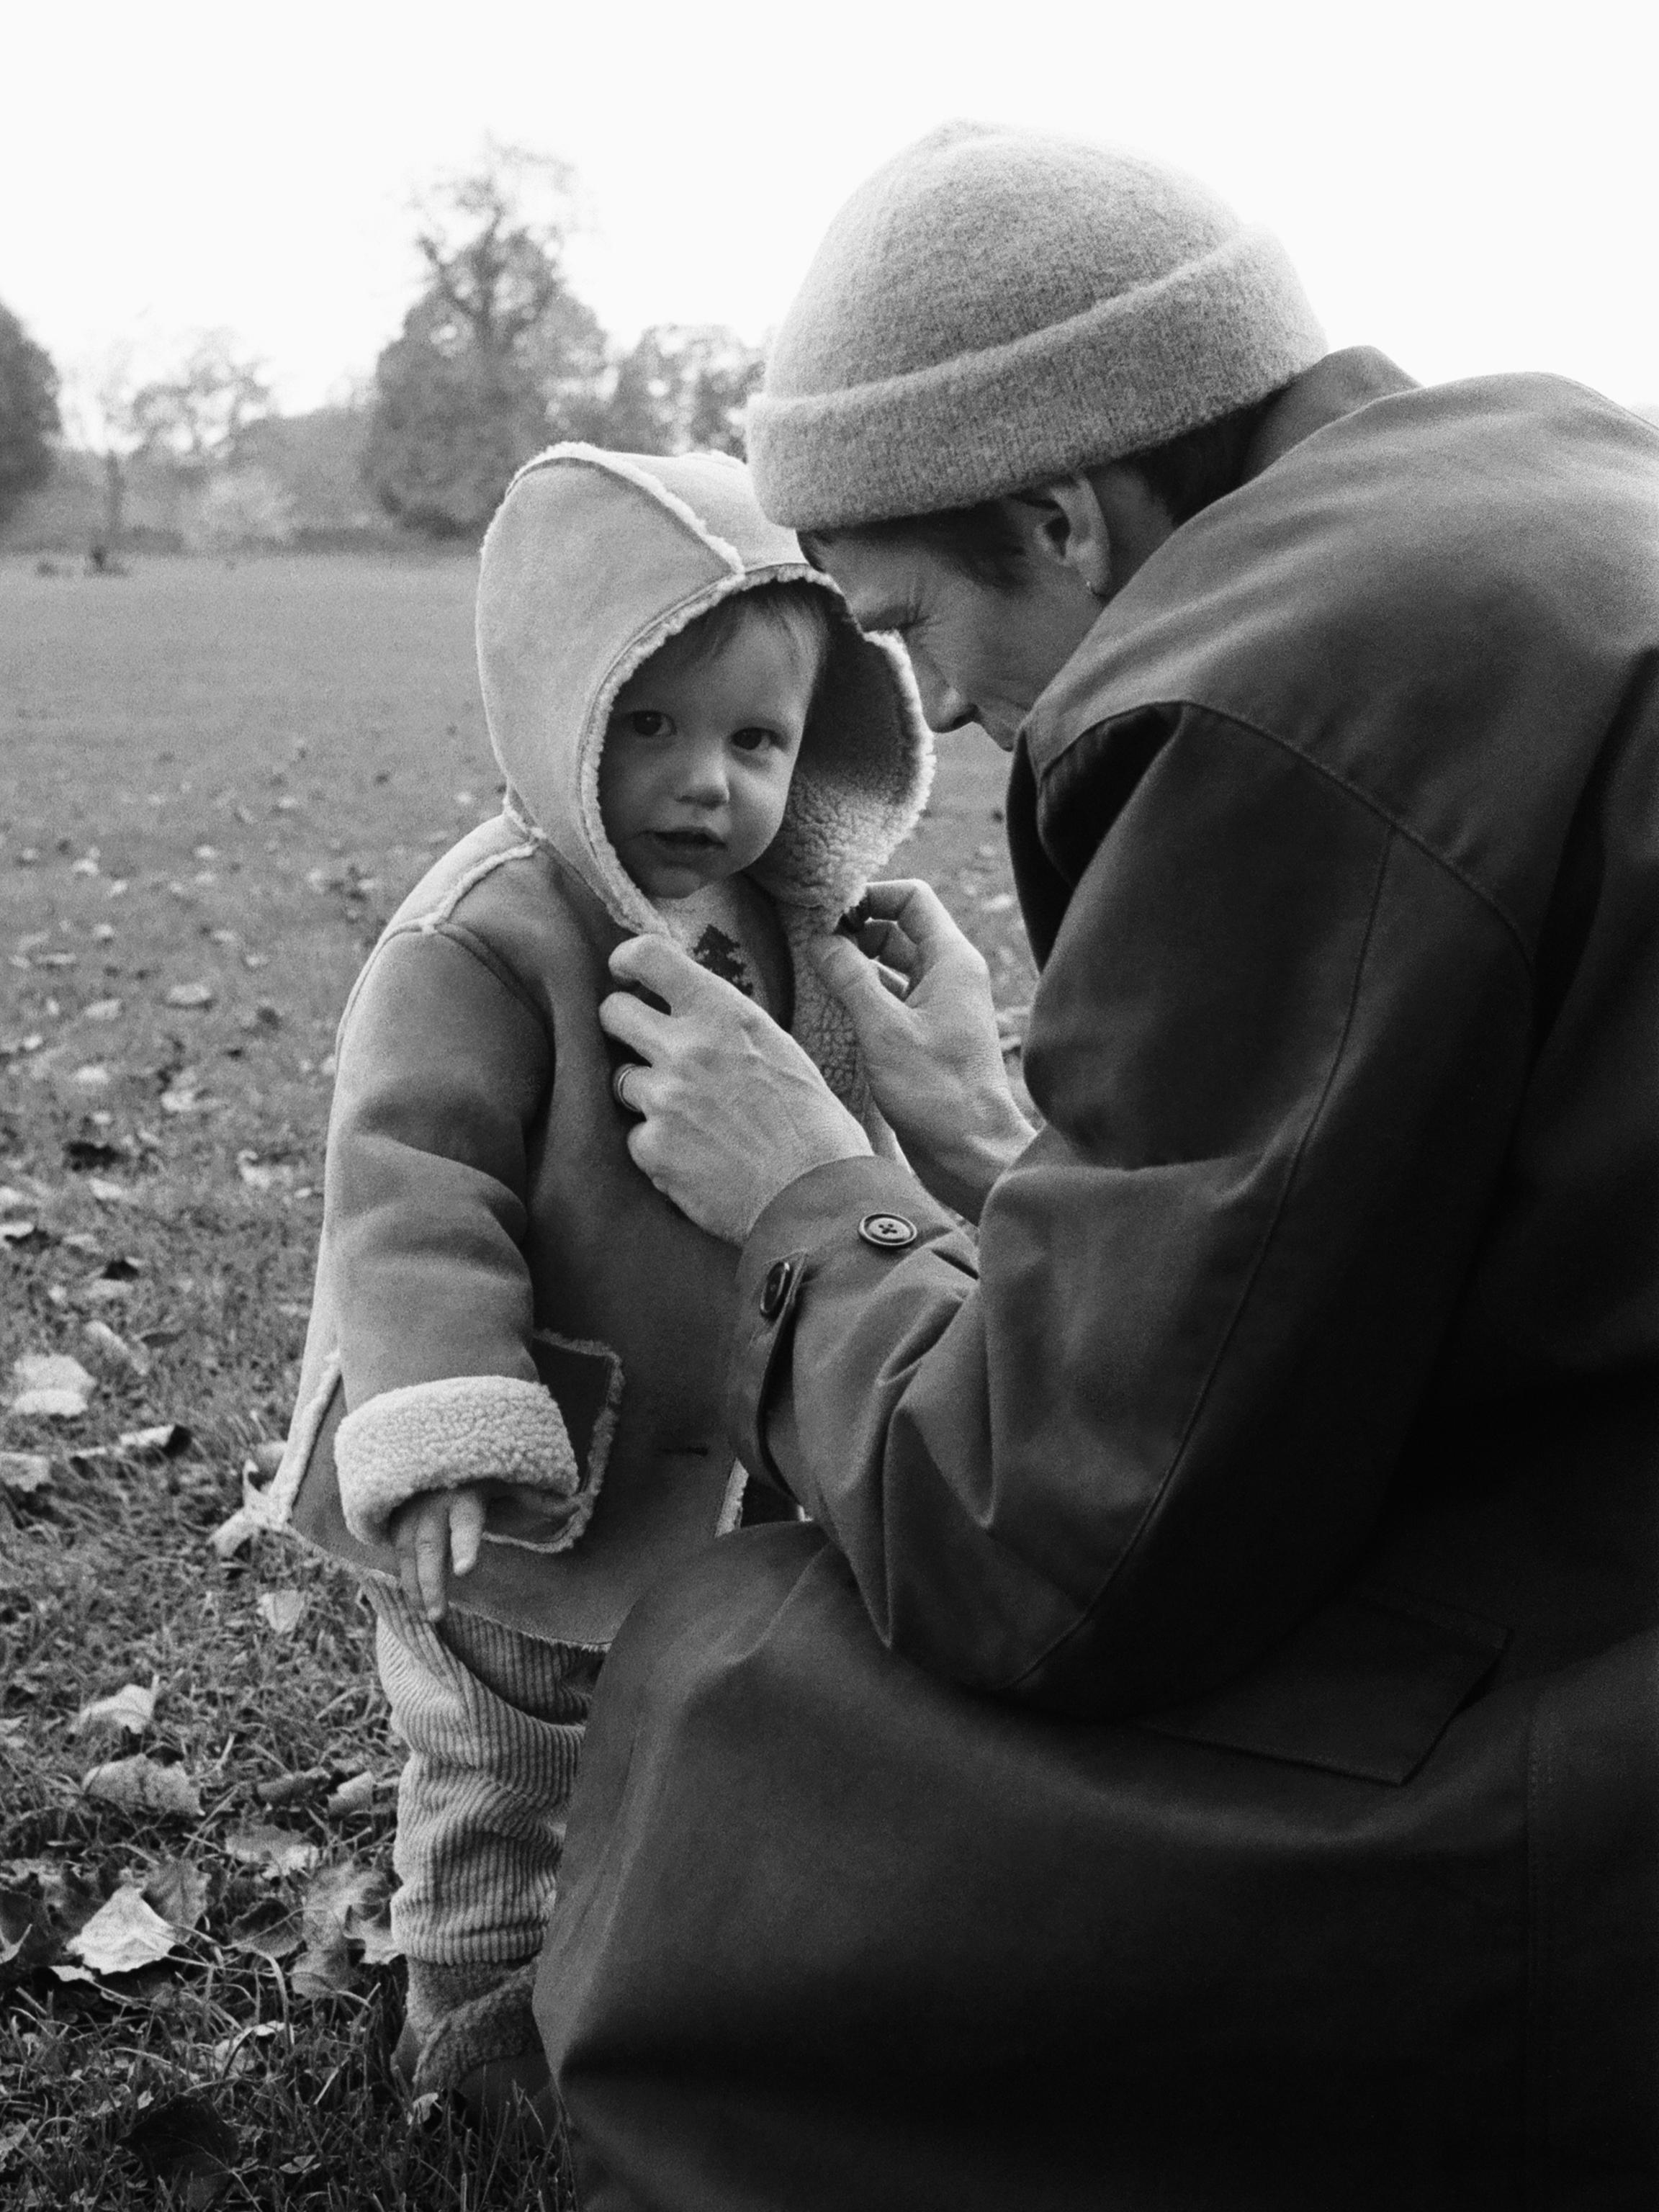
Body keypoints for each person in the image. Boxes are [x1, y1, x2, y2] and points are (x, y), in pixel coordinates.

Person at [532, 125, 1659, 2207]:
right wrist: (981, 1144)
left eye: (908, 626)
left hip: (1598, 1732)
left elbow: (1056, 1550)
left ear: (1061, 509)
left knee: (737, 1696)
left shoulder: (1288, 697)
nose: (935, 716)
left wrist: (808, 1204)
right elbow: (1394, 1258)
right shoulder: (1541, 495)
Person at [257, 443, 929, 2118]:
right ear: (561, 705)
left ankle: (657, 1984)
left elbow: (835, 1146)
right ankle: (477, 2056)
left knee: (700, 1753)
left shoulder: (789, 931)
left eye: (758, 742)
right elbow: (409, 1192)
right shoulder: (483, 938)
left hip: (726, 1488)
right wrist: (442, 1418)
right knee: (507, 1776)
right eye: (650, 725)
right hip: (522, 1505)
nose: (707, 784)